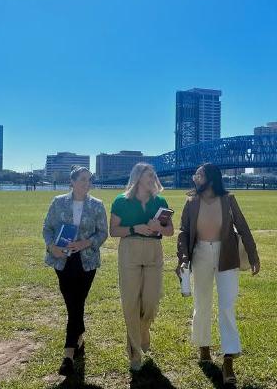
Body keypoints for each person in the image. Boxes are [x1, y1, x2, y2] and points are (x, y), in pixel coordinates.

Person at [176, 163, 261, 385]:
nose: (195, 177)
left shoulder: (229, 200)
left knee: (226, 305)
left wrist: (253, 255)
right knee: (201, 303)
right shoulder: (191, 201)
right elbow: (184, 231)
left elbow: (243, 227)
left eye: (199, 174)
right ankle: (203, 346)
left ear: (210, 178)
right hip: (200, 253)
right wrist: (183, 258)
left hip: (227, 255)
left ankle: (229, 358)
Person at [42, 166, 108, 376]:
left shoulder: (97, 205)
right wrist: (52, 246)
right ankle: (78, 338)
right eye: (82, 180)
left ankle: (68, 354)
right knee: (73, 303)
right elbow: (47, 228)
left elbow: (103, 233)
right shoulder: (58, 202)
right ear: (72, 181)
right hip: (62, 260)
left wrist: (86, 243)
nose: (86, 184)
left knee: (77, 302)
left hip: (86, 261)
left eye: (89, 180)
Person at [109, 163, 174, 371]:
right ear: (138, 177)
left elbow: (171, 231)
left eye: (153, 175)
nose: (153, 177)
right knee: (130, 303)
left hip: (154, 251)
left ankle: (143, 332)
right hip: (130, 250)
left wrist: (159, 227)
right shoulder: (121, 201)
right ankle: (135, 353)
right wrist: (133, 228)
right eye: (149, 174)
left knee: (151, 302)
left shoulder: (161, 201)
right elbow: (113, 231)